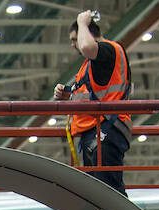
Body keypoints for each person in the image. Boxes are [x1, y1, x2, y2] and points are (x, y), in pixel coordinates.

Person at [54, 10, 133, 196]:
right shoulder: (89, 65)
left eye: (75, 39)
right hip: (96, 132)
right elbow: (91, 94)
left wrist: (82, 22)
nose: (74, 44)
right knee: (99, 194)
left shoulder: (107, 50)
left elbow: (87, 47)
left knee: (109, 193)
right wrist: (67, 93)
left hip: (106, 128)